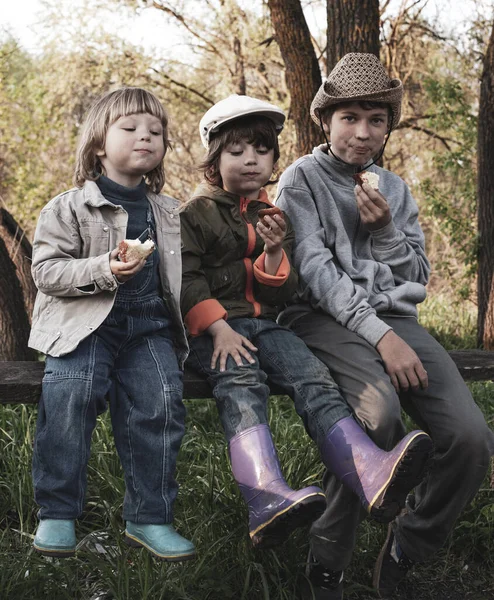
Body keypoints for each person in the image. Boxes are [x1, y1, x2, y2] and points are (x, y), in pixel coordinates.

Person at [276, 53, 494, 598]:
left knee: (470, 440)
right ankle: (327, 562)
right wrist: (382, 337)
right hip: (322, 318)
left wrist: (388, 232)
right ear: (325, 121)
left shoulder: (393, 188)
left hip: (395, 317)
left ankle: (409, 542)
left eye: (376, 120)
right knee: (377, 421)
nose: (363, 132)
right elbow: (314, 271)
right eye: (350, 118)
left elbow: (418, 273)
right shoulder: (301, 179)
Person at [180, 94, 434, 553]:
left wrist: (275, 253)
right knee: (241, 383)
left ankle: (369, 471)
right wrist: (216, 327)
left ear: (274, 158)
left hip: (264, 325)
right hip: (213, 333)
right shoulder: (193, 214)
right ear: (213, 162)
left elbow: (283, 291)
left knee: (312, 376)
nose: (251, 160)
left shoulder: (271, 214)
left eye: (262, 151)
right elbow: (184, 278)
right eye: (236, 152)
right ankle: (264, 496)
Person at [29, 87, 195, 562]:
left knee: (161, 403)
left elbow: (180, 277)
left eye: (156, 131)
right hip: (83, 327)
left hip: (146, 328)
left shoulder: (168, 211)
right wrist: (103, 268)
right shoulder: (67, 208)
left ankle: (150, 518)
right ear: (99, 143)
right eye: (130, 128)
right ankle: (57, 512)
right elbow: (46, 272)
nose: (146, 136)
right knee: (70, 396)